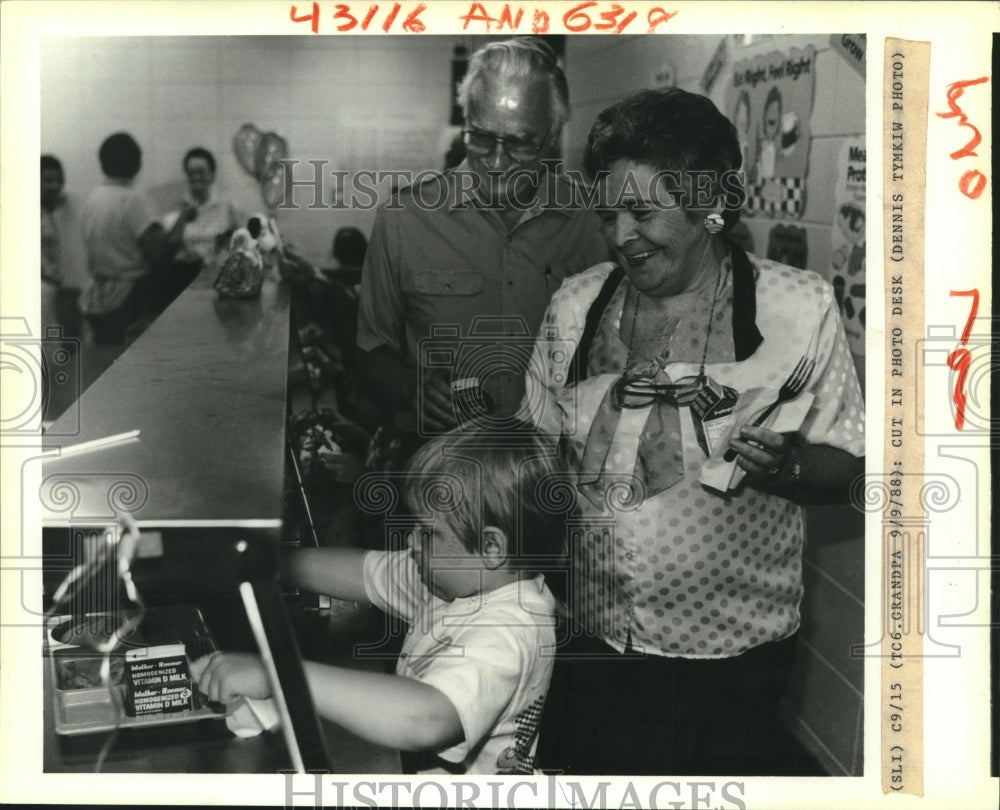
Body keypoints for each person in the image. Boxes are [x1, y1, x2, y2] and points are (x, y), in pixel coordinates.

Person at [523, 88, 865, 775]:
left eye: (643, 212)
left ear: (711, 205)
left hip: (729, 653)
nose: (621, 235)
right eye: (609, 213)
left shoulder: (797, 308)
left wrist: (785, 468)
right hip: (592, 635)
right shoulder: (576, 305)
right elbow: (532, 447)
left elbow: (851, 467)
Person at [191, 424, 565, 774]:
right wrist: (262, 561)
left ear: (491, 547)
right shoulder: (464, 579)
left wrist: (274, 673)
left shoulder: (511, 630)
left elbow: (425, 719)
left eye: (428, 532)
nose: (411, 541)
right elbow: (363, 572)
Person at [355, 37, 608, 459]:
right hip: (439, 465)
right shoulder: (404, 218)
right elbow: (369, 351)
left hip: (556, 468)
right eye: (481, 139)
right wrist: (410, 388)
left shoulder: (594, 223)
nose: (495, 162)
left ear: (552, 136)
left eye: (521, 143)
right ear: (465, 122)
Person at [79, 132, 188, 345]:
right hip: (130, 299)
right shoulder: (132, 199)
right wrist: (183, 217)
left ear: (103, 163)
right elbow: (161, 255)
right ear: (136, 164)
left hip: (97, 296)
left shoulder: (93, 200)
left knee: (106, 366)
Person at [165, 147, 243, 272]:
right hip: (184, 279)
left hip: (219, 275)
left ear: (212, 175)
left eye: (201, 172)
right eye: (191, 172)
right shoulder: (175, 210)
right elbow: (167, 252)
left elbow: (243, 244)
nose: (196, 177)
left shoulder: (229, 208)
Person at [41, 155, 87, 339]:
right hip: (41, 291)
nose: (55, 185)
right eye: (47, 180)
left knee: (70, 346)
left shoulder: (67, 205)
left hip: (67, 290)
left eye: (59, 180)